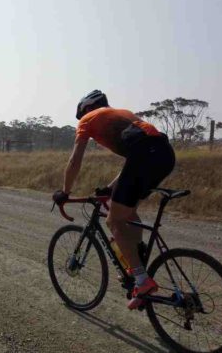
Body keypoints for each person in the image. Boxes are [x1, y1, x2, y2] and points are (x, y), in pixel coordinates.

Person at [53, 90, 175, 309]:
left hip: (145, 156)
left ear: (86, 110)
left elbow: (75, 161)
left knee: (113, 221)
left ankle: (141, 279)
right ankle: (136, 263)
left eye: (81, 115)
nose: (81, 120)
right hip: (165, 154)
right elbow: (134, 161)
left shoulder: (88, 120)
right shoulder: (123, 114)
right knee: (127, 213)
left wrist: (65, 192)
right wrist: (110, 188)